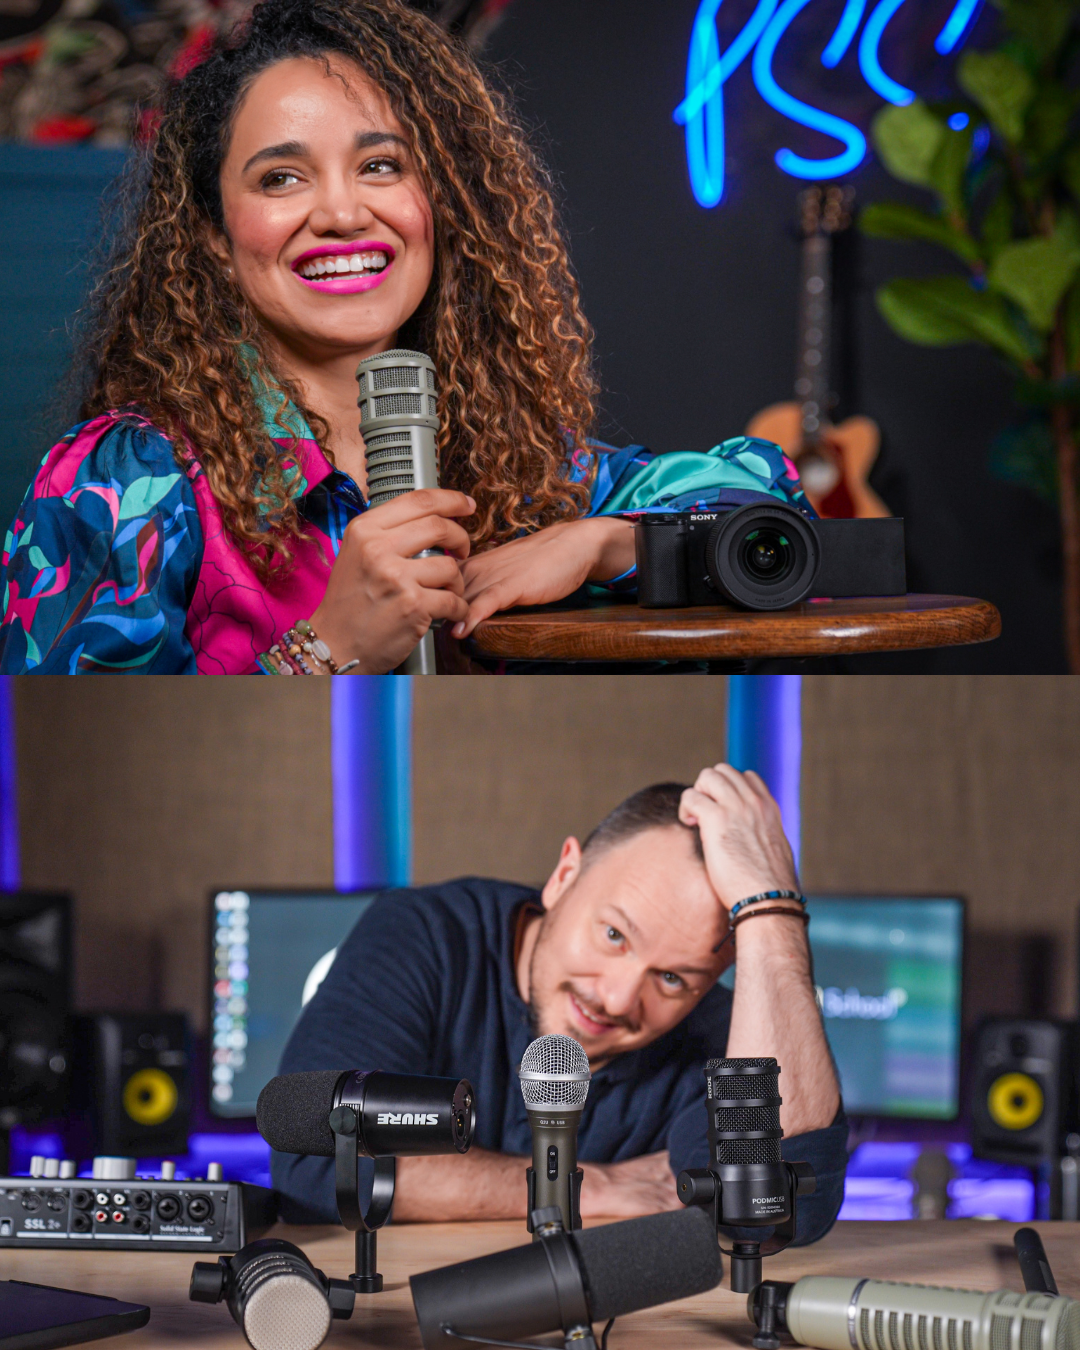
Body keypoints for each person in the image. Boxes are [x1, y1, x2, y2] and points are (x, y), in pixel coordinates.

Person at [0, 0, 813, 674]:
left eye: (381, 165)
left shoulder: (514, 465)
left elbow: (772, 507)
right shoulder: (122, 484)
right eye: (281, 177)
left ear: (441, 202)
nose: (344, 212)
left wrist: (604, 542)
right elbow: (77, 774)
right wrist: (329, 649)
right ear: (213, 233)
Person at [274, 764, 847, 1237]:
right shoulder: (426, 935)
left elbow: (774, 1211)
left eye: (674, 979)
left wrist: (772, 913)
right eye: (615, 935)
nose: (618, 998)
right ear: (564, 874)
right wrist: (594, 1185)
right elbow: (316, 1156)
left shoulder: (724, 1037)